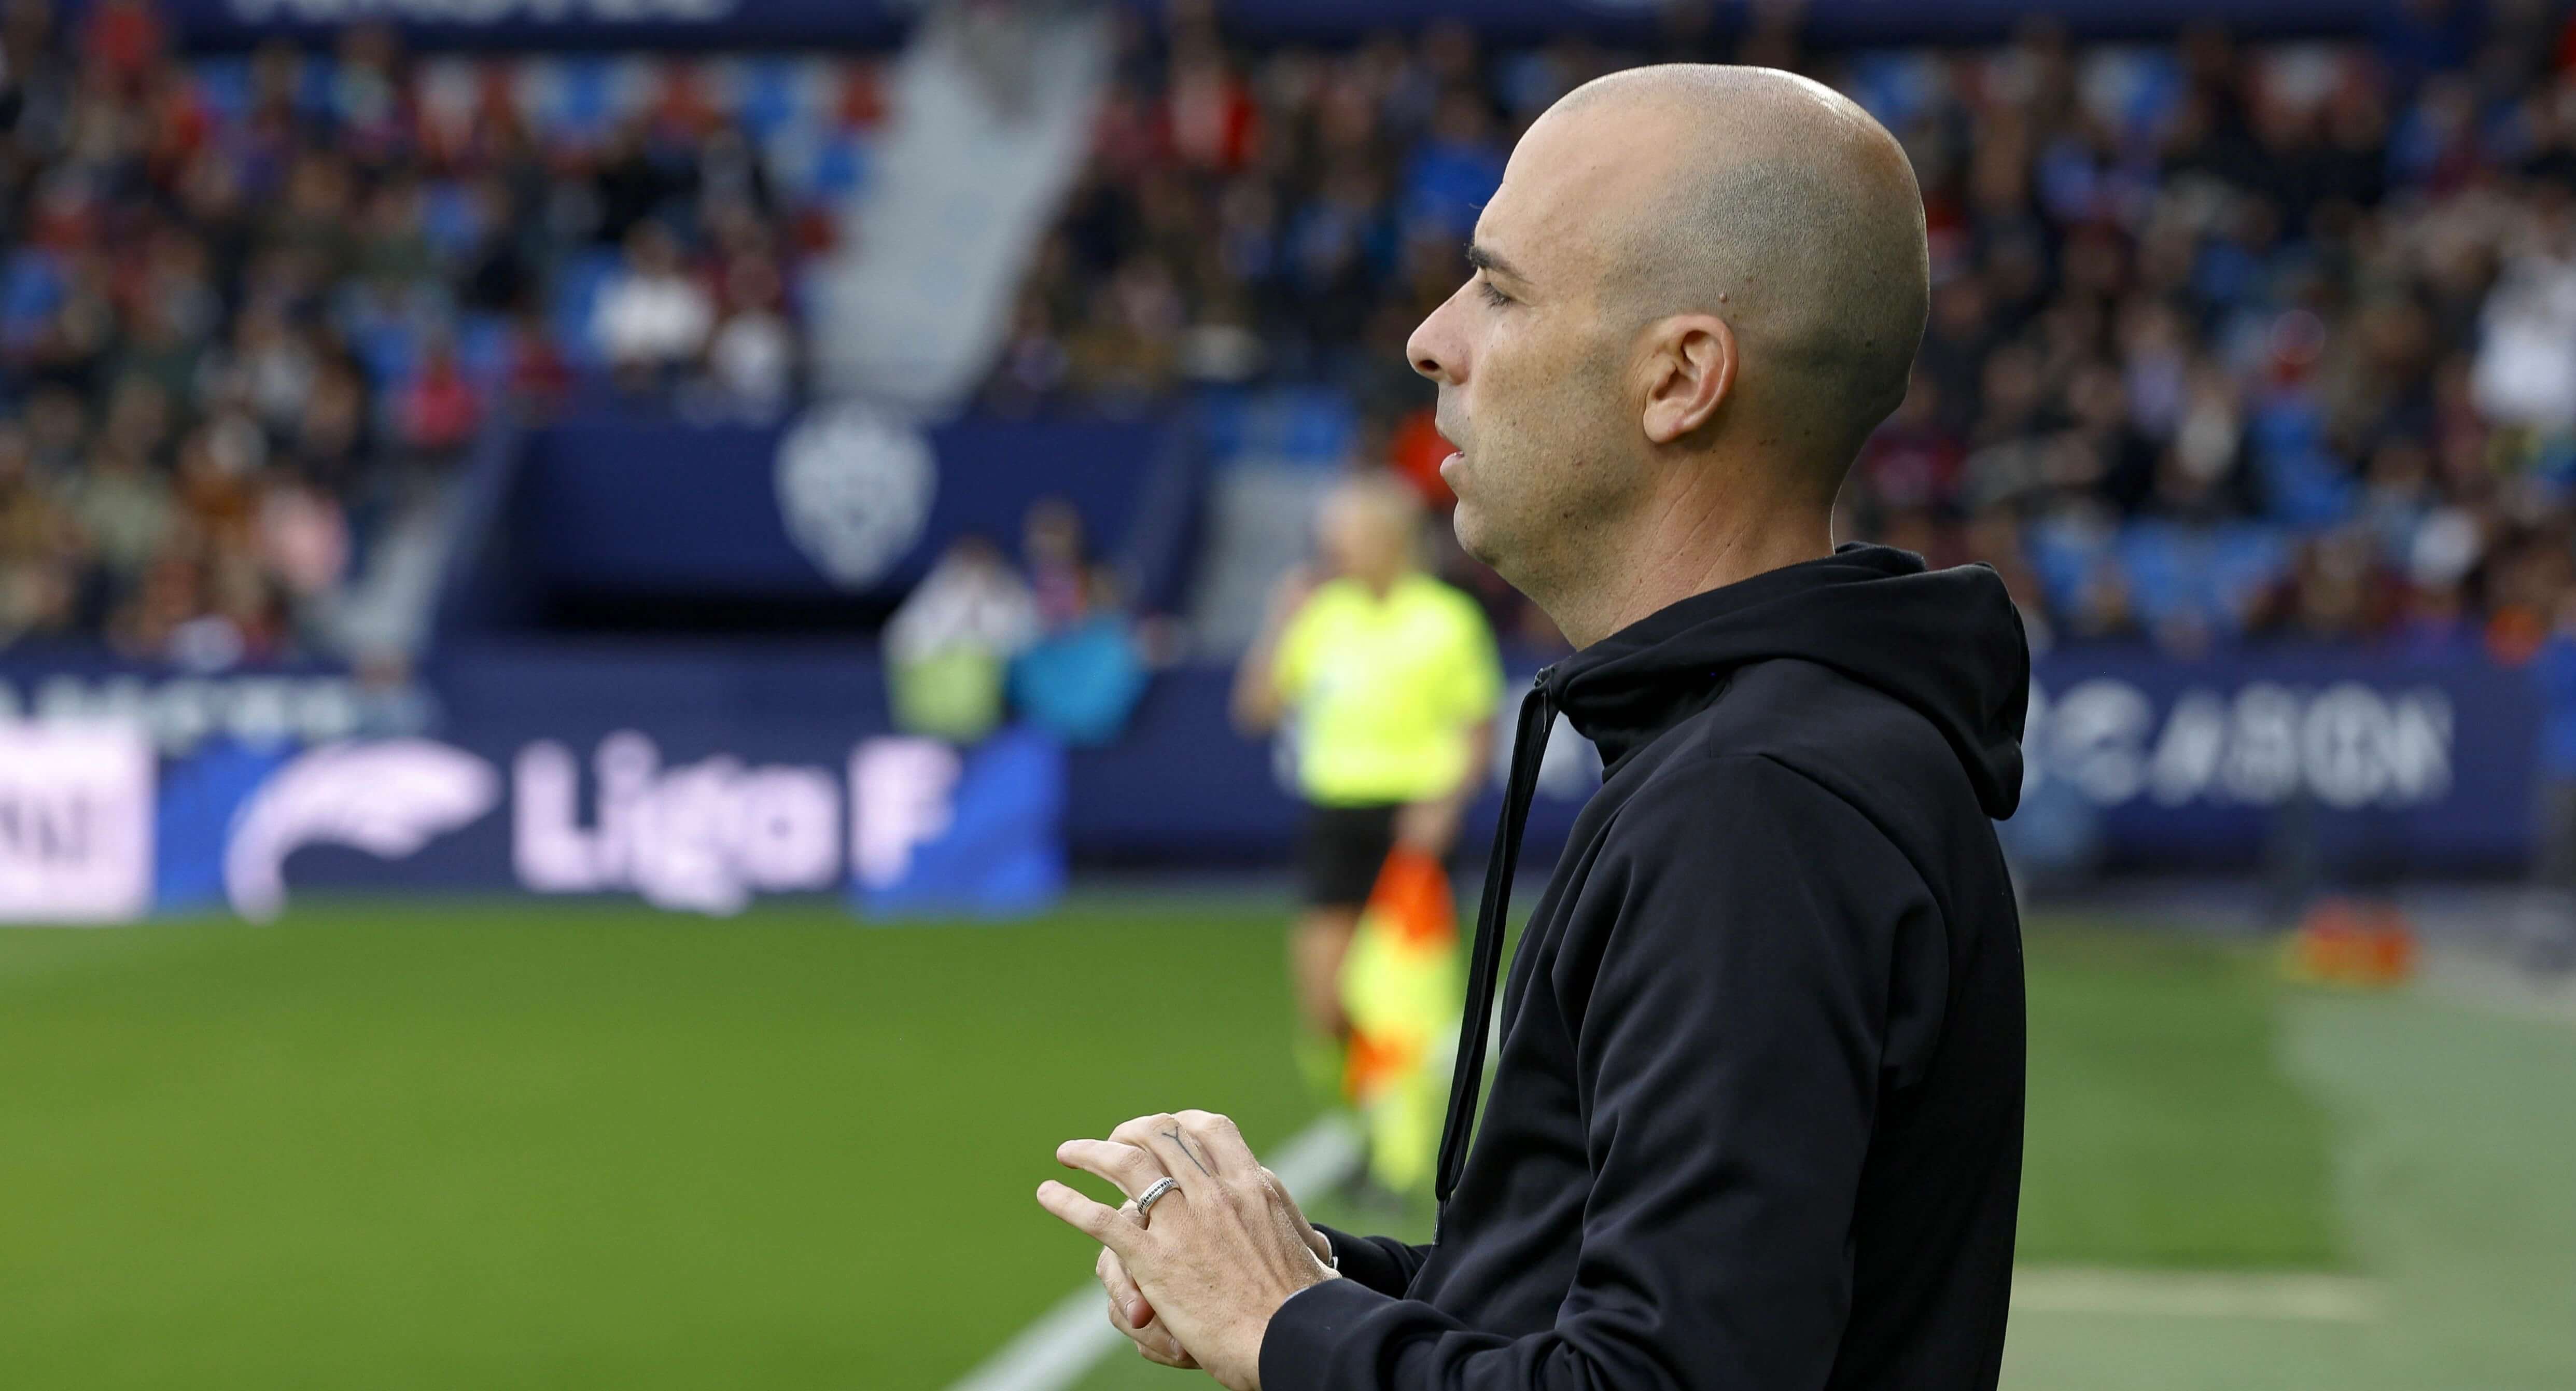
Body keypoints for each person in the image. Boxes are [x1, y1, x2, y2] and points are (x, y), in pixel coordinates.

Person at [1036, 64, 2031, 1390]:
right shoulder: (1761, 754)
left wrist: (1290, 1333)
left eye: (1499, 289)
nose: (1432, 338)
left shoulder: (1760, 802)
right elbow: (1598, 1312)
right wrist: (1305, 1282)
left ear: (1680, 378)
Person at [1228, 473, 1500, 1146]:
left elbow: (1480, 729)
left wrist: (1443, 804)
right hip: (1336, 817)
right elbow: (1255, 711)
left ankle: (1401, 1150)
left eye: (1346, 537)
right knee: (1325, 1002)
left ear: (1391, 540)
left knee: (1403, 1000)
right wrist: (1277, 623)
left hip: (1412, 824)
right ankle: (1360, 1118)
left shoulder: (1446, 619)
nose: (1333, 551)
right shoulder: (1321, 615)